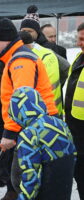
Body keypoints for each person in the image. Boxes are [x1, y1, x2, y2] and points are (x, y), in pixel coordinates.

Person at [0, 18, 58, 200]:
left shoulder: (21, 60)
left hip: (34, 130)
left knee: (23, 181)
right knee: (20, 180)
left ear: (5, 40)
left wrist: (10, 133)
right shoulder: (17, 58)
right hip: (34, 128)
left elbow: (23, 102)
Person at [9, 86, 76, 200]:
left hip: (45, 192)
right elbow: (73, 155)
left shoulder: (30, 134)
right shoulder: (60, 124)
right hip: (64, 189)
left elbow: (30, 177)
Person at [18, 31, 69, 117]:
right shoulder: (48, 51)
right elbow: (66, 68)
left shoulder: (27, 57)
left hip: (40, 113)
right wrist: (59, 85)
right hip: (56, 109)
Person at [65, 22, 84, 200]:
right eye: (79, 39)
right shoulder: (78, 59)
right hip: (75, 128)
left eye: (83, 39)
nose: (80, 43)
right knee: (79, 175)